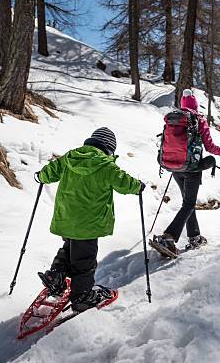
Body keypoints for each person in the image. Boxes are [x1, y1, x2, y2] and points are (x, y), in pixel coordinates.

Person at [36, 127, 144, 312]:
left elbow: (49, 172)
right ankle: (82, 296)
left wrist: (40, 176)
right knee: (84, 260)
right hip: (89, 224)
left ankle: (56, 277)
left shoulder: (71, 157)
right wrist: (138, 186)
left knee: (69, 248)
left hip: (66, 218)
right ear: (109, 149)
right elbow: (124, 182)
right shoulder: (106, 165)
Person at [152, 89, 220, 256]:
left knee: (187, 203)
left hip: (174, 166)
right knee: (189, 204)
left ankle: (194, 237)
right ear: (195, 105)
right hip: (191, 169)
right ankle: (169, 236)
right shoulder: (198, 120)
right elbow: (209, 147)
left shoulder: (173, 119)